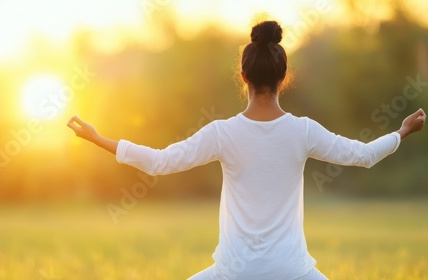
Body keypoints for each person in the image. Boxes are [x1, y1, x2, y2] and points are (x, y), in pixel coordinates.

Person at [67, 20, 425, 280]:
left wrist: (100, 139)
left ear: (243, 76)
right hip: (292, 272)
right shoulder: (302, 131)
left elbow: (161, 162)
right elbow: (362, 155)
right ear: (284, 77)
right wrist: (402, 131)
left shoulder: (223, 133)